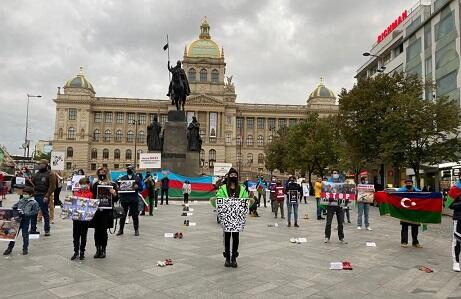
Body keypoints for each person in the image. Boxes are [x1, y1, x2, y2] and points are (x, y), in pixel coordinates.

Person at [211, 167, 250, 268]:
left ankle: (234, 258)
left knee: (236, 237)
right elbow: (218, 199)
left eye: (235, 175)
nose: (233, 177)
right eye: (231, 175)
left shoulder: (241, 188)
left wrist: (248, 200)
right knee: (227, 237)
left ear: (237, 177)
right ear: (228, 176)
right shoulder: (223, 188)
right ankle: (227, 258)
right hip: (227, 218)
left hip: (237, 218)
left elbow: (245, 200)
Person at [90, 167, 118, 258]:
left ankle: (103, 249)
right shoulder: (95, 184)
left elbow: (116, 199)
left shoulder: (112, 184)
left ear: (107, 174)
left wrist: (114, 193)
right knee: (96, 230)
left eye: (103, 172)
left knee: (103, 230)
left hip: (106, 211)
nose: (102, 174)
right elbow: (92, 196)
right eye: (100, 173)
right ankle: (97, 249)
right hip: (97, 211)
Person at [3, 186, 39, 256]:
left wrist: (27, 213)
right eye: (24, 193)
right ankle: (9, 248)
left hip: (25, 220)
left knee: (25, 235)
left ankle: (25, 248)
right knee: (13, 234)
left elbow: (35, 211)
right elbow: (15, 205)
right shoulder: (21, 200)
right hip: (18, 220)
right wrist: (14, 208)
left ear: (30, 194)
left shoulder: (34, 202)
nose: (24, 195)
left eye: (26, 193)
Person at [30, 159, 56, 237]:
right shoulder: (36, 174)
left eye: (41, 164)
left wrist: (47, 196)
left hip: (44, 196)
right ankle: (33, 229)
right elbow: (32, 183)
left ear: (46, 165)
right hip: (35, 195)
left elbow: (53, 186)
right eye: (39, 164)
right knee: (33, 213)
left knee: (45, 213)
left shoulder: (50, 174)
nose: (40, 165)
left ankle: (47, 229)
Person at [117, 166, 143, 236]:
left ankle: (136, 230)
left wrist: (138, 187)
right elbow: (119, 187)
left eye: (130, 169)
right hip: (124, 199)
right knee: (122, 215)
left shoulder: (137, 178)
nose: (129, 170)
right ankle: (121, 230)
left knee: (135, 215)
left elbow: (141, 188)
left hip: (133, 199)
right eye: (128, 169)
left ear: (133, 170)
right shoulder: (122, 178)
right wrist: (118, 187)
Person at [71, 177, 92, 260]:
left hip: (84, 219)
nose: (83, 185)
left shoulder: (90, 194)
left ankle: (82, 251)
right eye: (81, 184)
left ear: (88, 184)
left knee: (83, 236)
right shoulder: (76, 193)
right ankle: (76, 251)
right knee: (75, 236)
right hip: (76, 218)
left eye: (85, 184)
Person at [324, 170, 347, 244]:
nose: (335, 174)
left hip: (339, 205)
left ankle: (341, 237)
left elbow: (345, 192)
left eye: (336, 173)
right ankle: (327, 237)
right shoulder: (328, 182)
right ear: (332, 174)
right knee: (328, 222)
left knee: (340, 222)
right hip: (331, 204)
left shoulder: (342, 182)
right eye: (334, 173)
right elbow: (325, 192)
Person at [398, 179, 422, 248]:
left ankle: (415, 242)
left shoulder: (418, 192)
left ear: (412, 184)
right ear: (405, 184)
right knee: (404, 228)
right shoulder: (401, 191)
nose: (409, 184)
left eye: (410, 183)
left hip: (415, 213)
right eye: (407, 183)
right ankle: (404, 242)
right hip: (405, 212)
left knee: (415, 228)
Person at [448, 180, 461, 272]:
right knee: (457, 241)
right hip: (459, 219)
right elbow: (449, 205)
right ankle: (456, 262)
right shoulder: (455, 189)